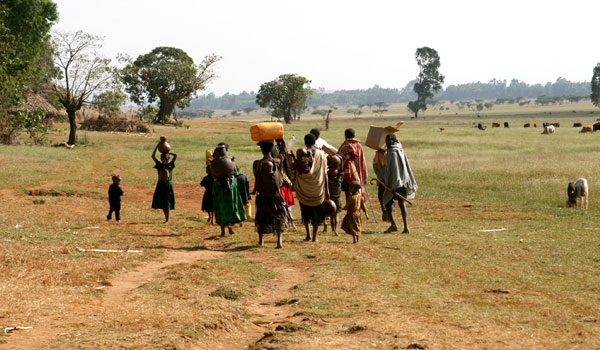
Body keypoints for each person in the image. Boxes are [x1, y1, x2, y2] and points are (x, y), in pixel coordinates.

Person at [253, 141, 293, 248]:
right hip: (276, 195)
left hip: (262, 196)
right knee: (279, 217)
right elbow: (282, 176)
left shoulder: (257, 163)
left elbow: (257, 180)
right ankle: (279, 240)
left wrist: (254, 191)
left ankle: (261, 241)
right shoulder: (278, 162)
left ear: (262, 150)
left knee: (261, 217)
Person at [293, 133, 329, 242]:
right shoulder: (321, 155)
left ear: (305, 142)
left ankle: (308, 235)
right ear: (315, 142)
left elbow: (296, 170)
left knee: (305, 212)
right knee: (316, 213)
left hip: (303, 189)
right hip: (318, 189)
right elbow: (325, 173)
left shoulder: (301, 153)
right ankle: (314, 237)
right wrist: (327, 190)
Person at [379, 134, 417, 233]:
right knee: (399, 203)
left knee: (388, 202)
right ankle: (402, 226)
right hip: (402, 180)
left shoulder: (393, 152)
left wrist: (393, 185)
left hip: (397, 182)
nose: (386, 143)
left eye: (388, 141)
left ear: (392, 141)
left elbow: (395, 170)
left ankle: (397, 226)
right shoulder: (399, 148)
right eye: (386, 141)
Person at [212, 146, 246, 236]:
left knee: (220, 208)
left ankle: (223, 231)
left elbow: (213, 176)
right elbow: (235, 173)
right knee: (231, 208)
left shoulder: (214, 163)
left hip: (218, 189)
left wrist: (217, 180)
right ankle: (230, 225)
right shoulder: (230, 161)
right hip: (230, 188)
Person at [151, 145, 177, 223]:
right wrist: (157, 147)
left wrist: (168, 152)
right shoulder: (159, 165)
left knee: (167, 202)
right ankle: (166, 218)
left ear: (168, 159)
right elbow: (153, 156)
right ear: (161, 159)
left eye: (166, 158)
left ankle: (167, 219)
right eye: (163, 158)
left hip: (168, 186)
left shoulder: (170, 165)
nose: (164, 160)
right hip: (160, 185)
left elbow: (175, 156)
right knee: (162, 202)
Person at [338, 128, 368, 194]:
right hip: (358, 173)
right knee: (357, 193)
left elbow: (340, 159)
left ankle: (350, 204)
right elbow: (362, 160)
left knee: (348, 193)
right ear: (354, 135)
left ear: (345, 136)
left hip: (347, 175)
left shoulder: (344, 146)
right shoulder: (359, 145)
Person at [326, 154, 343, 235]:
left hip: (330, 198)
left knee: (332, 215)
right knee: (336, 215)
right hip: (336, 199)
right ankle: (335, 229)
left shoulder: (327, 177)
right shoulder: (339, 177)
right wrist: (341, 161)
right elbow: (341, 169)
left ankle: (333, 229)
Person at [372, 148, 388, 221]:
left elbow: (375, 165)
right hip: (388, 177)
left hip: (382, 177)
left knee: (381, 196)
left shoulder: (378, 153)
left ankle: (385, 210)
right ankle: (388, 212)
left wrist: (379, 173)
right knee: (388, 196)